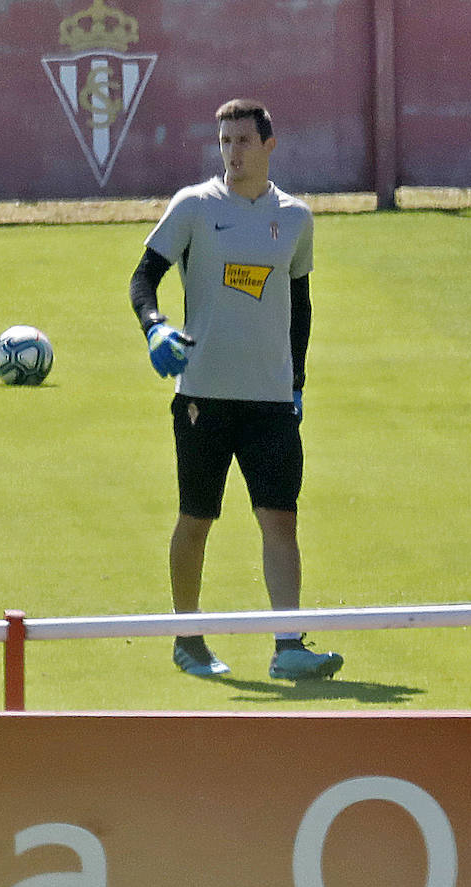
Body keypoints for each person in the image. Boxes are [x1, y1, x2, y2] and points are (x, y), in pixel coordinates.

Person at [128, 99, 344, 681]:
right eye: (225, 141)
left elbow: (299, 305)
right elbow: (144, 275)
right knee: (197, 517)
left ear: (269, 145)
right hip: (203, 394)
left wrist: (295, 383)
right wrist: (155, 328)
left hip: (271, 400)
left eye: (244, 140)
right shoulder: (195, 207)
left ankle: (288, 646)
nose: (233, 151)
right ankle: (188, 639)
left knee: (280, 518)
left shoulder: (295, 218)